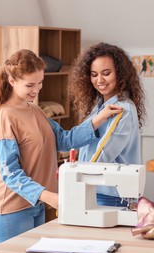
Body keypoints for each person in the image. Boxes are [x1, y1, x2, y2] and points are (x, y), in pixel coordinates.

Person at [0, 49, 122, 245]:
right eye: (30, 85)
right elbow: (11, 174)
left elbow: (65, 139)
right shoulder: (4, 118)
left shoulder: (35, 110)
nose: (36, 90)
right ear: (12, 82)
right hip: (10, 208)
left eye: (40, 83)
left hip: (36, 204)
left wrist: (99, 119)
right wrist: (49, 196)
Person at [55, 42, 146, 207]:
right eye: (94, 74)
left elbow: (101, 155)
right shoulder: (99, 108)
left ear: (120, 74)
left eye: (106, 73)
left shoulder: (122, 109)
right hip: (94, 190)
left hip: (110, 195)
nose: (100, 80)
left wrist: (72, 173)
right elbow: (82, 145)